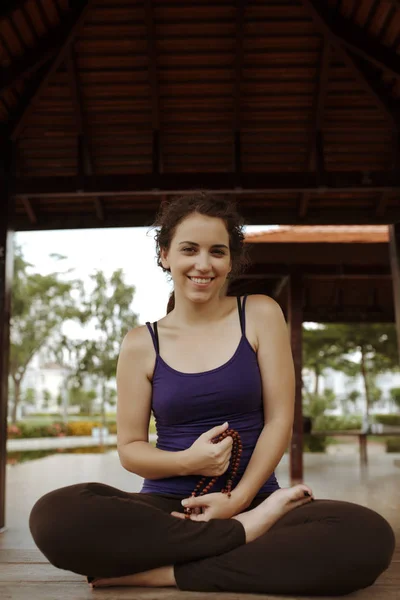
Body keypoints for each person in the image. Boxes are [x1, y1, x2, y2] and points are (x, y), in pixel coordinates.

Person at [29, 193, 395, 595]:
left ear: (231, 261)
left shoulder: (259, 313)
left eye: (217, 252)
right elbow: (131, 450)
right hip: (170, 511)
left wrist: (238, 503)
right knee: (54, 516)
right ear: (165, 254)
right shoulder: (140, 343)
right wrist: (189, 460)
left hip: (256, 501)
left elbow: (279, 420)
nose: (203, 264)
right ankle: (240, 538)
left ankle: (169, 571)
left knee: (367, 536)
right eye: (190, 249)